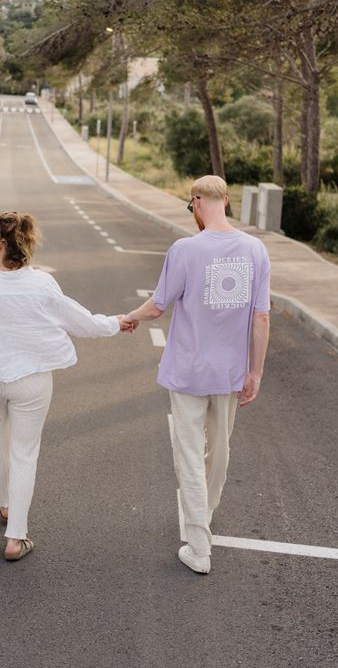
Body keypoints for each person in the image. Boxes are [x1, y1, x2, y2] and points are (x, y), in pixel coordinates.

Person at [121, 175, 270, 575]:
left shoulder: (186, 250)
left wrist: (127, 319)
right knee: (218, 451)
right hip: (229, 372)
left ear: (200, 201)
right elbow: (261, 317)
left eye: (192, 206)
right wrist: (255, 371)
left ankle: (199, 547)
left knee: (189, 452)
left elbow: (157, 306)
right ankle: (204, 513)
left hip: (188, 371)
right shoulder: (255, 250)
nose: (194, 213)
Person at [0, 211, 132, 562]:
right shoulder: (41, 284)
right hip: (34, 381)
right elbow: (80, 321)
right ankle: (16, 537)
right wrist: (116, 323)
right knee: (24, 453)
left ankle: (6, 505)